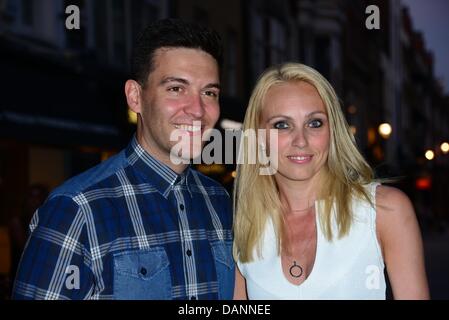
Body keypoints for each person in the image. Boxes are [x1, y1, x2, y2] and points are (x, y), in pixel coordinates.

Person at [12, 19, 234, 300]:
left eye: (209, 93)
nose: (198, 109)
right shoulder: (75, 209)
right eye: (176, 88)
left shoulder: (219, 200)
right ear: (135, 96)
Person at [233, 63, 429, 299]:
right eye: (282, 125)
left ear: (333, 131)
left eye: (314, 123)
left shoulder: (383, 210)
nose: (301, 141)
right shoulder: (246, 227)